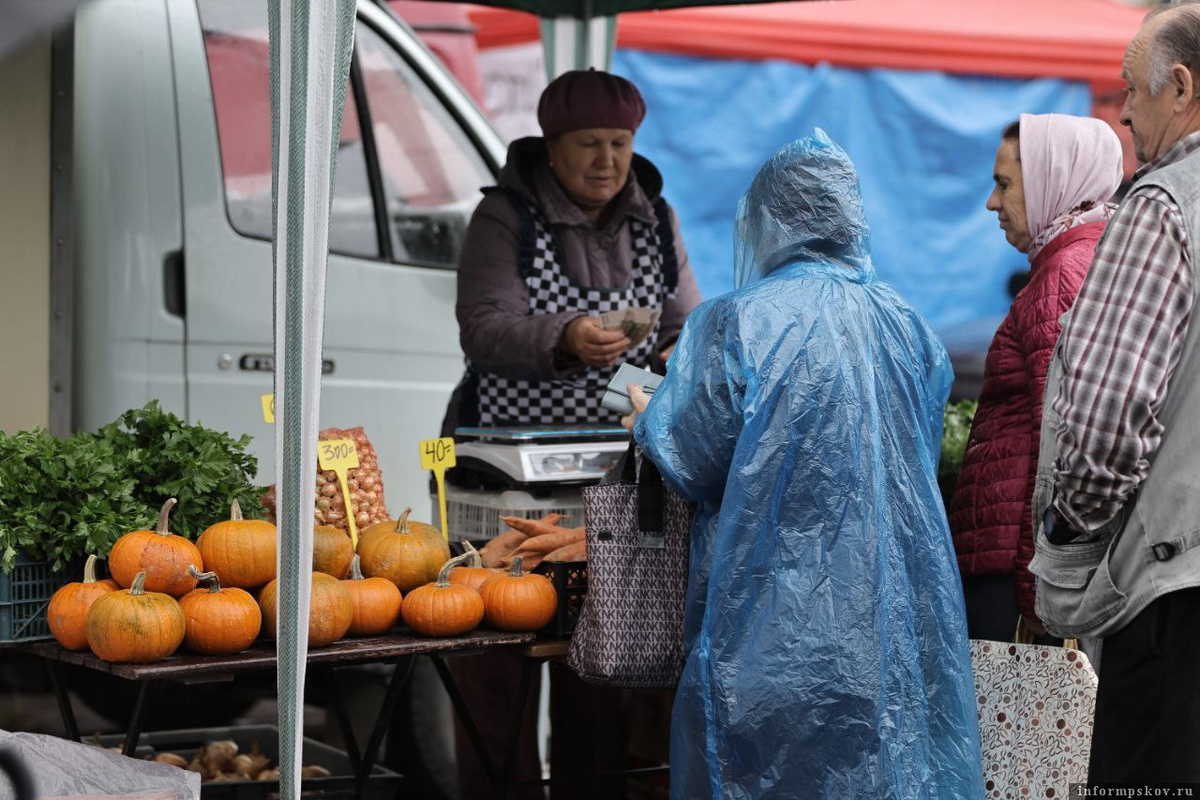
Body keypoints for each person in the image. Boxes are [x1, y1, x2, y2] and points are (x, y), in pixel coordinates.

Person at [624, 130, 984, 799]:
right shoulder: (908, 325)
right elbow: (917, 452)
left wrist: (648, 418)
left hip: (768, 625)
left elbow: (695, 461)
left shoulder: (734, 323)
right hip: (896, 621)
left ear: (765, 221)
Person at [442, 68, 701, 800]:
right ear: (552, 146)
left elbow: (687, 320)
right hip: (504, 470)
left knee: (601, 657)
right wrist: (565, 336)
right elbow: (483, 325)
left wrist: (681, 352)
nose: (606, 160)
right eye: (589, 143)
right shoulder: (506, 217)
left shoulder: (657, 216)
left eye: (620, 143)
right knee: (499, 655)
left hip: (613, 473)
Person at [1028, 2, 1200, 784]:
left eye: (1132, 89)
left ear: (1182, 88)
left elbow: (1104, 418)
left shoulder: (1162, 206)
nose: (1124, 111)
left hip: (1169, 596)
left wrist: (1069, 537)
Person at [949, 114, 1122, 642]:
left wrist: (1037, 599)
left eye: (1004, 184)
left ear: (1053, 180)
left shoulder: (1065, 274)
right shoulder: (1069, 262)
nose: (991, 203)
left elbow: (1064, 447)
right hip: (1017, 567)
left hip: (1017, 577)